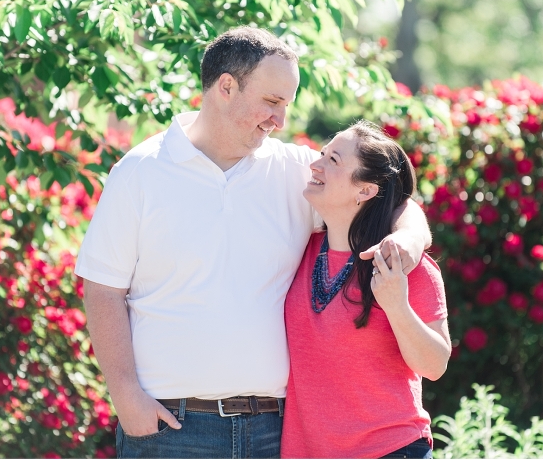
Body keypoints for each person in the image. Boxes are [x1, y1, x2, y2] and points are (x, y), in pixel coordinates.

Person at [75, 27, 432, 459]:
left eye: (286, 105)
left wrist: (410, 240)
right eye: (272, 102)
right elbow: (102, 290)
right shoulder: (140, 172)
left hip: (273, 431)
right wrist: (127, 397)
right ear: (226, 86)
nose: (280, 120)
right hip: (171, 430)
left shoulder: (296, 172)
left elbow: (390, 201)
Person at [281, 121, 451, 459]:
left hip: (390, 450)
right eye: (322, 155)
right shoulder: (301, 249)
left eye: (334, 161)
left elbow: (435, 365)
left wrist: (396, 305)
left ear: (365, 191)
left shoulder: (404, 266)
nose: (316, 166)